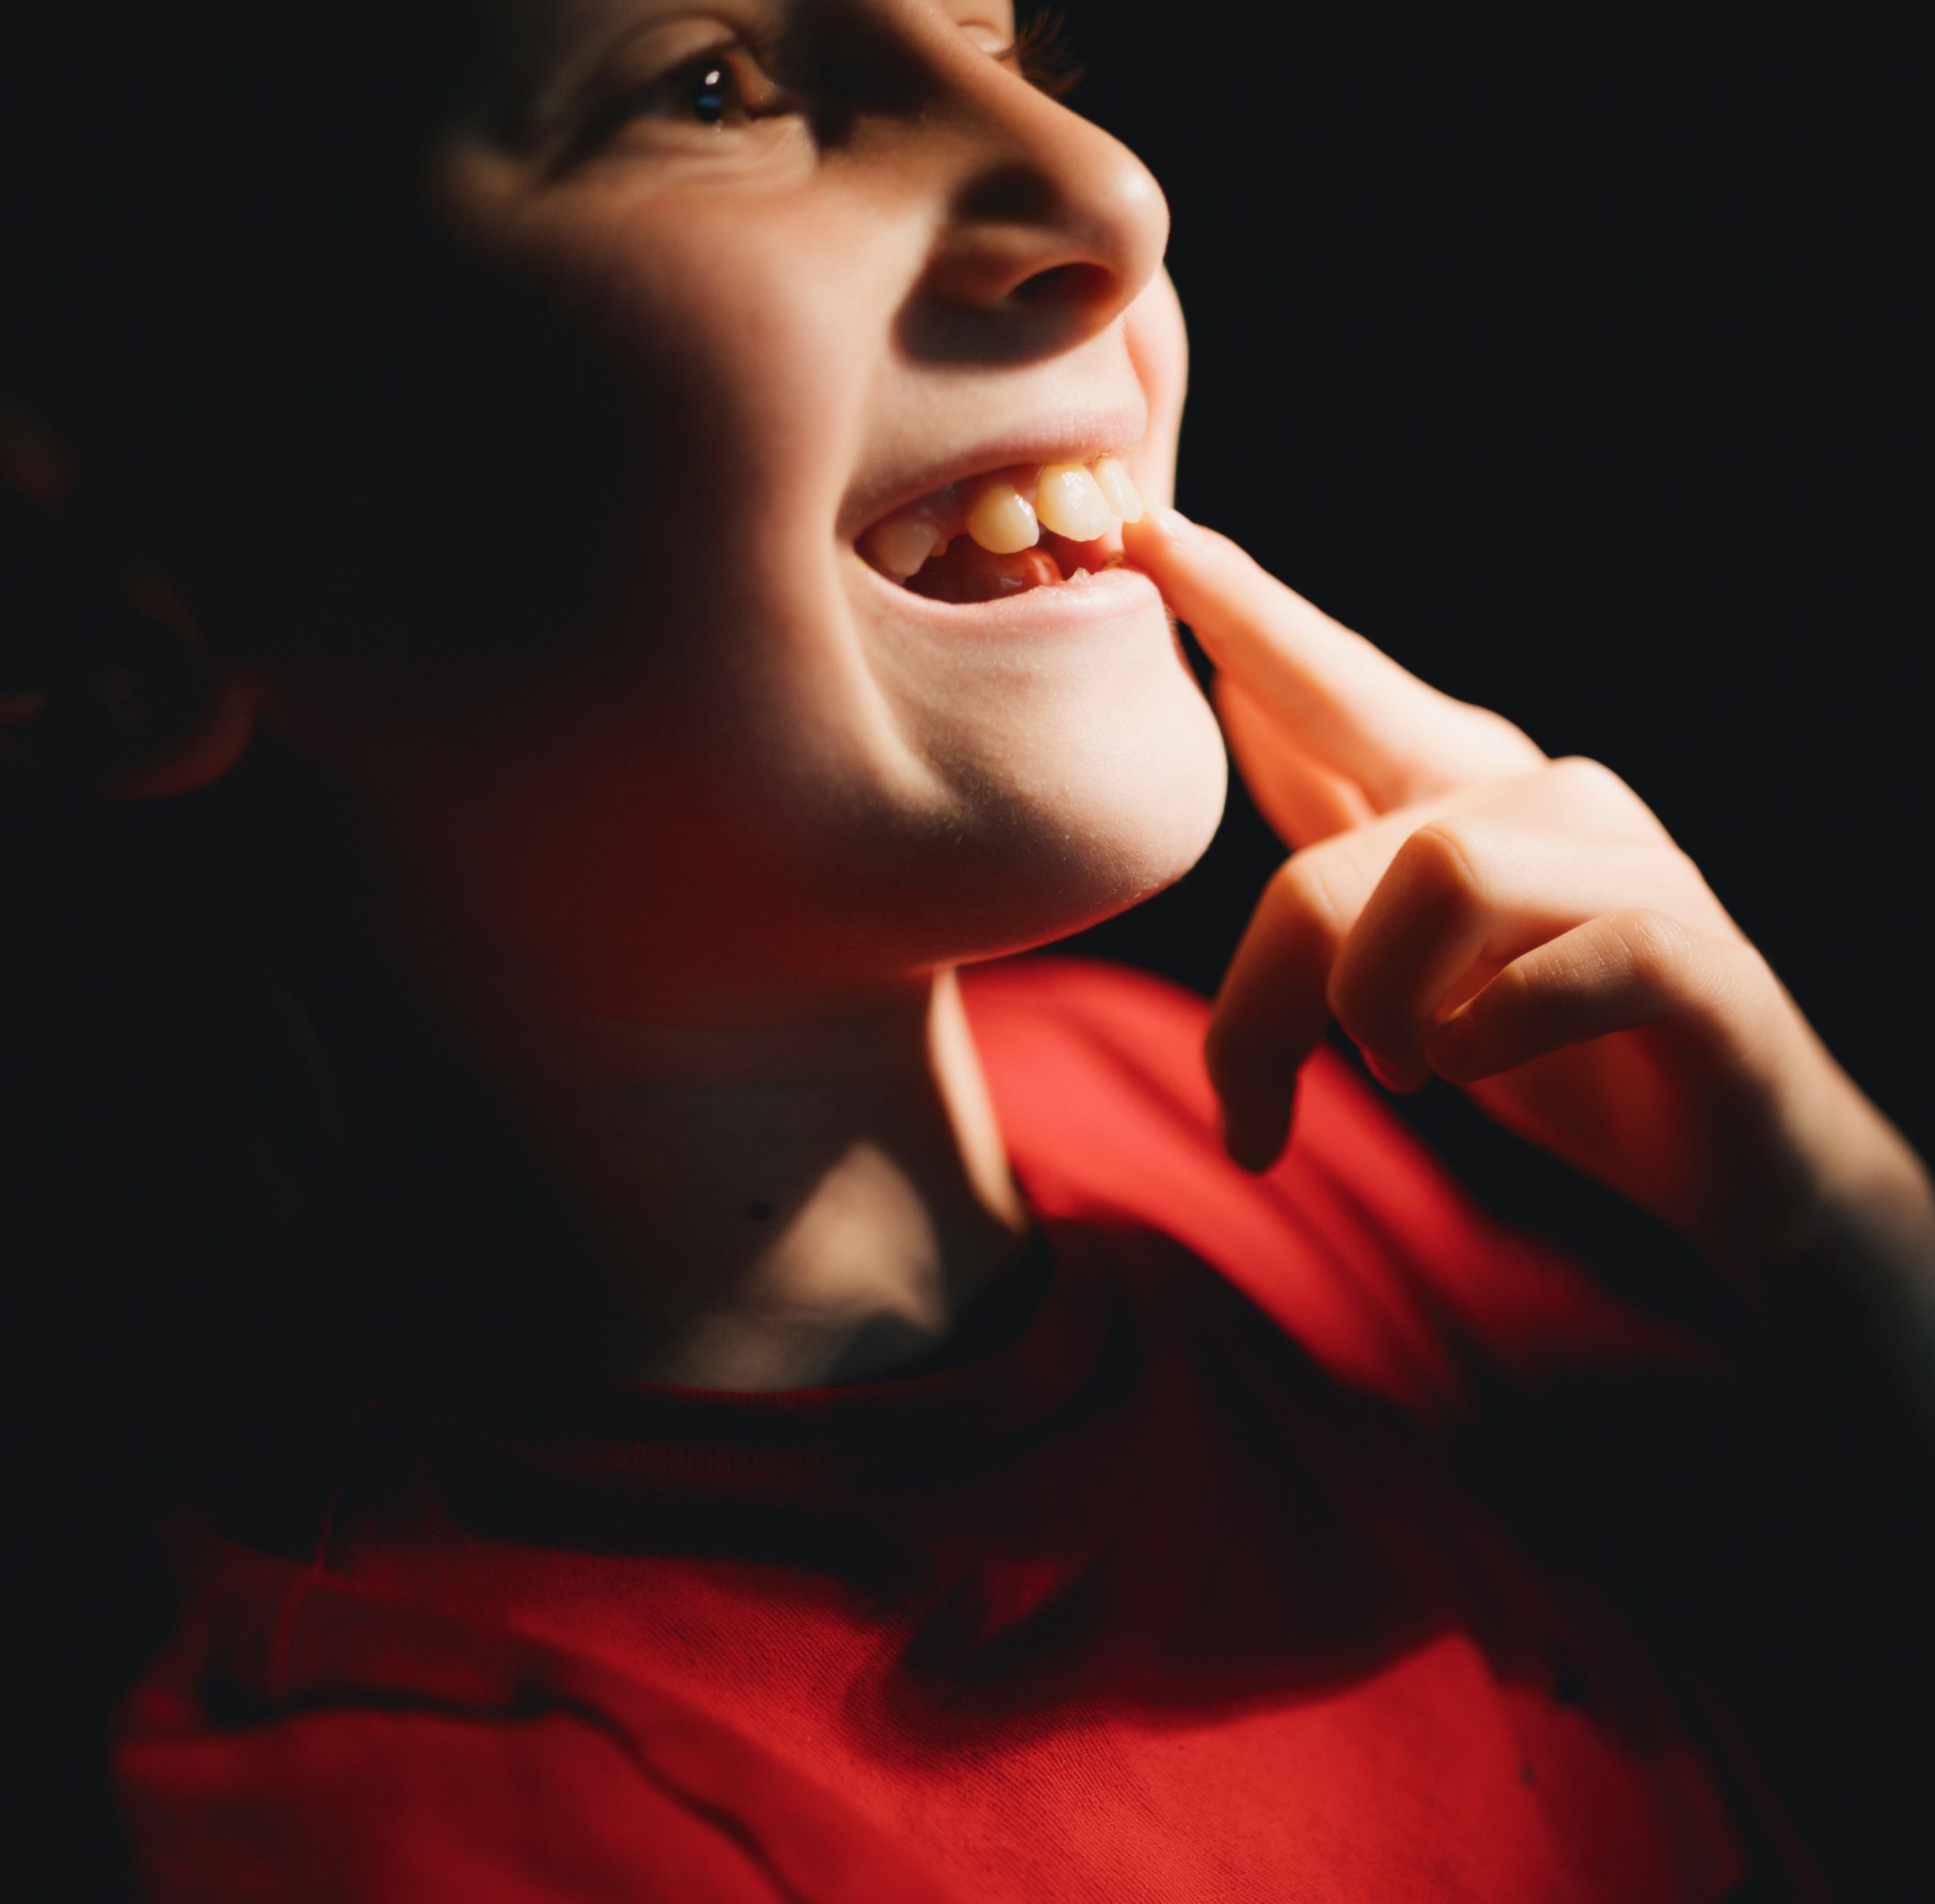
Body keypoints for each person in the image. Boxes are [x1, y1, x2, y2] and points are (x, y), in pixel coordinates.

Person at [3, 1, 1930, 1897]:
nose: (1106, 189)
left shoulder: (1182, 1105)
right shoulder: (440, 1824)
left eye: (1010, 48)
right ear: (103, 612)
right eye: (708, 85)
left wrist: (1829, 1225)